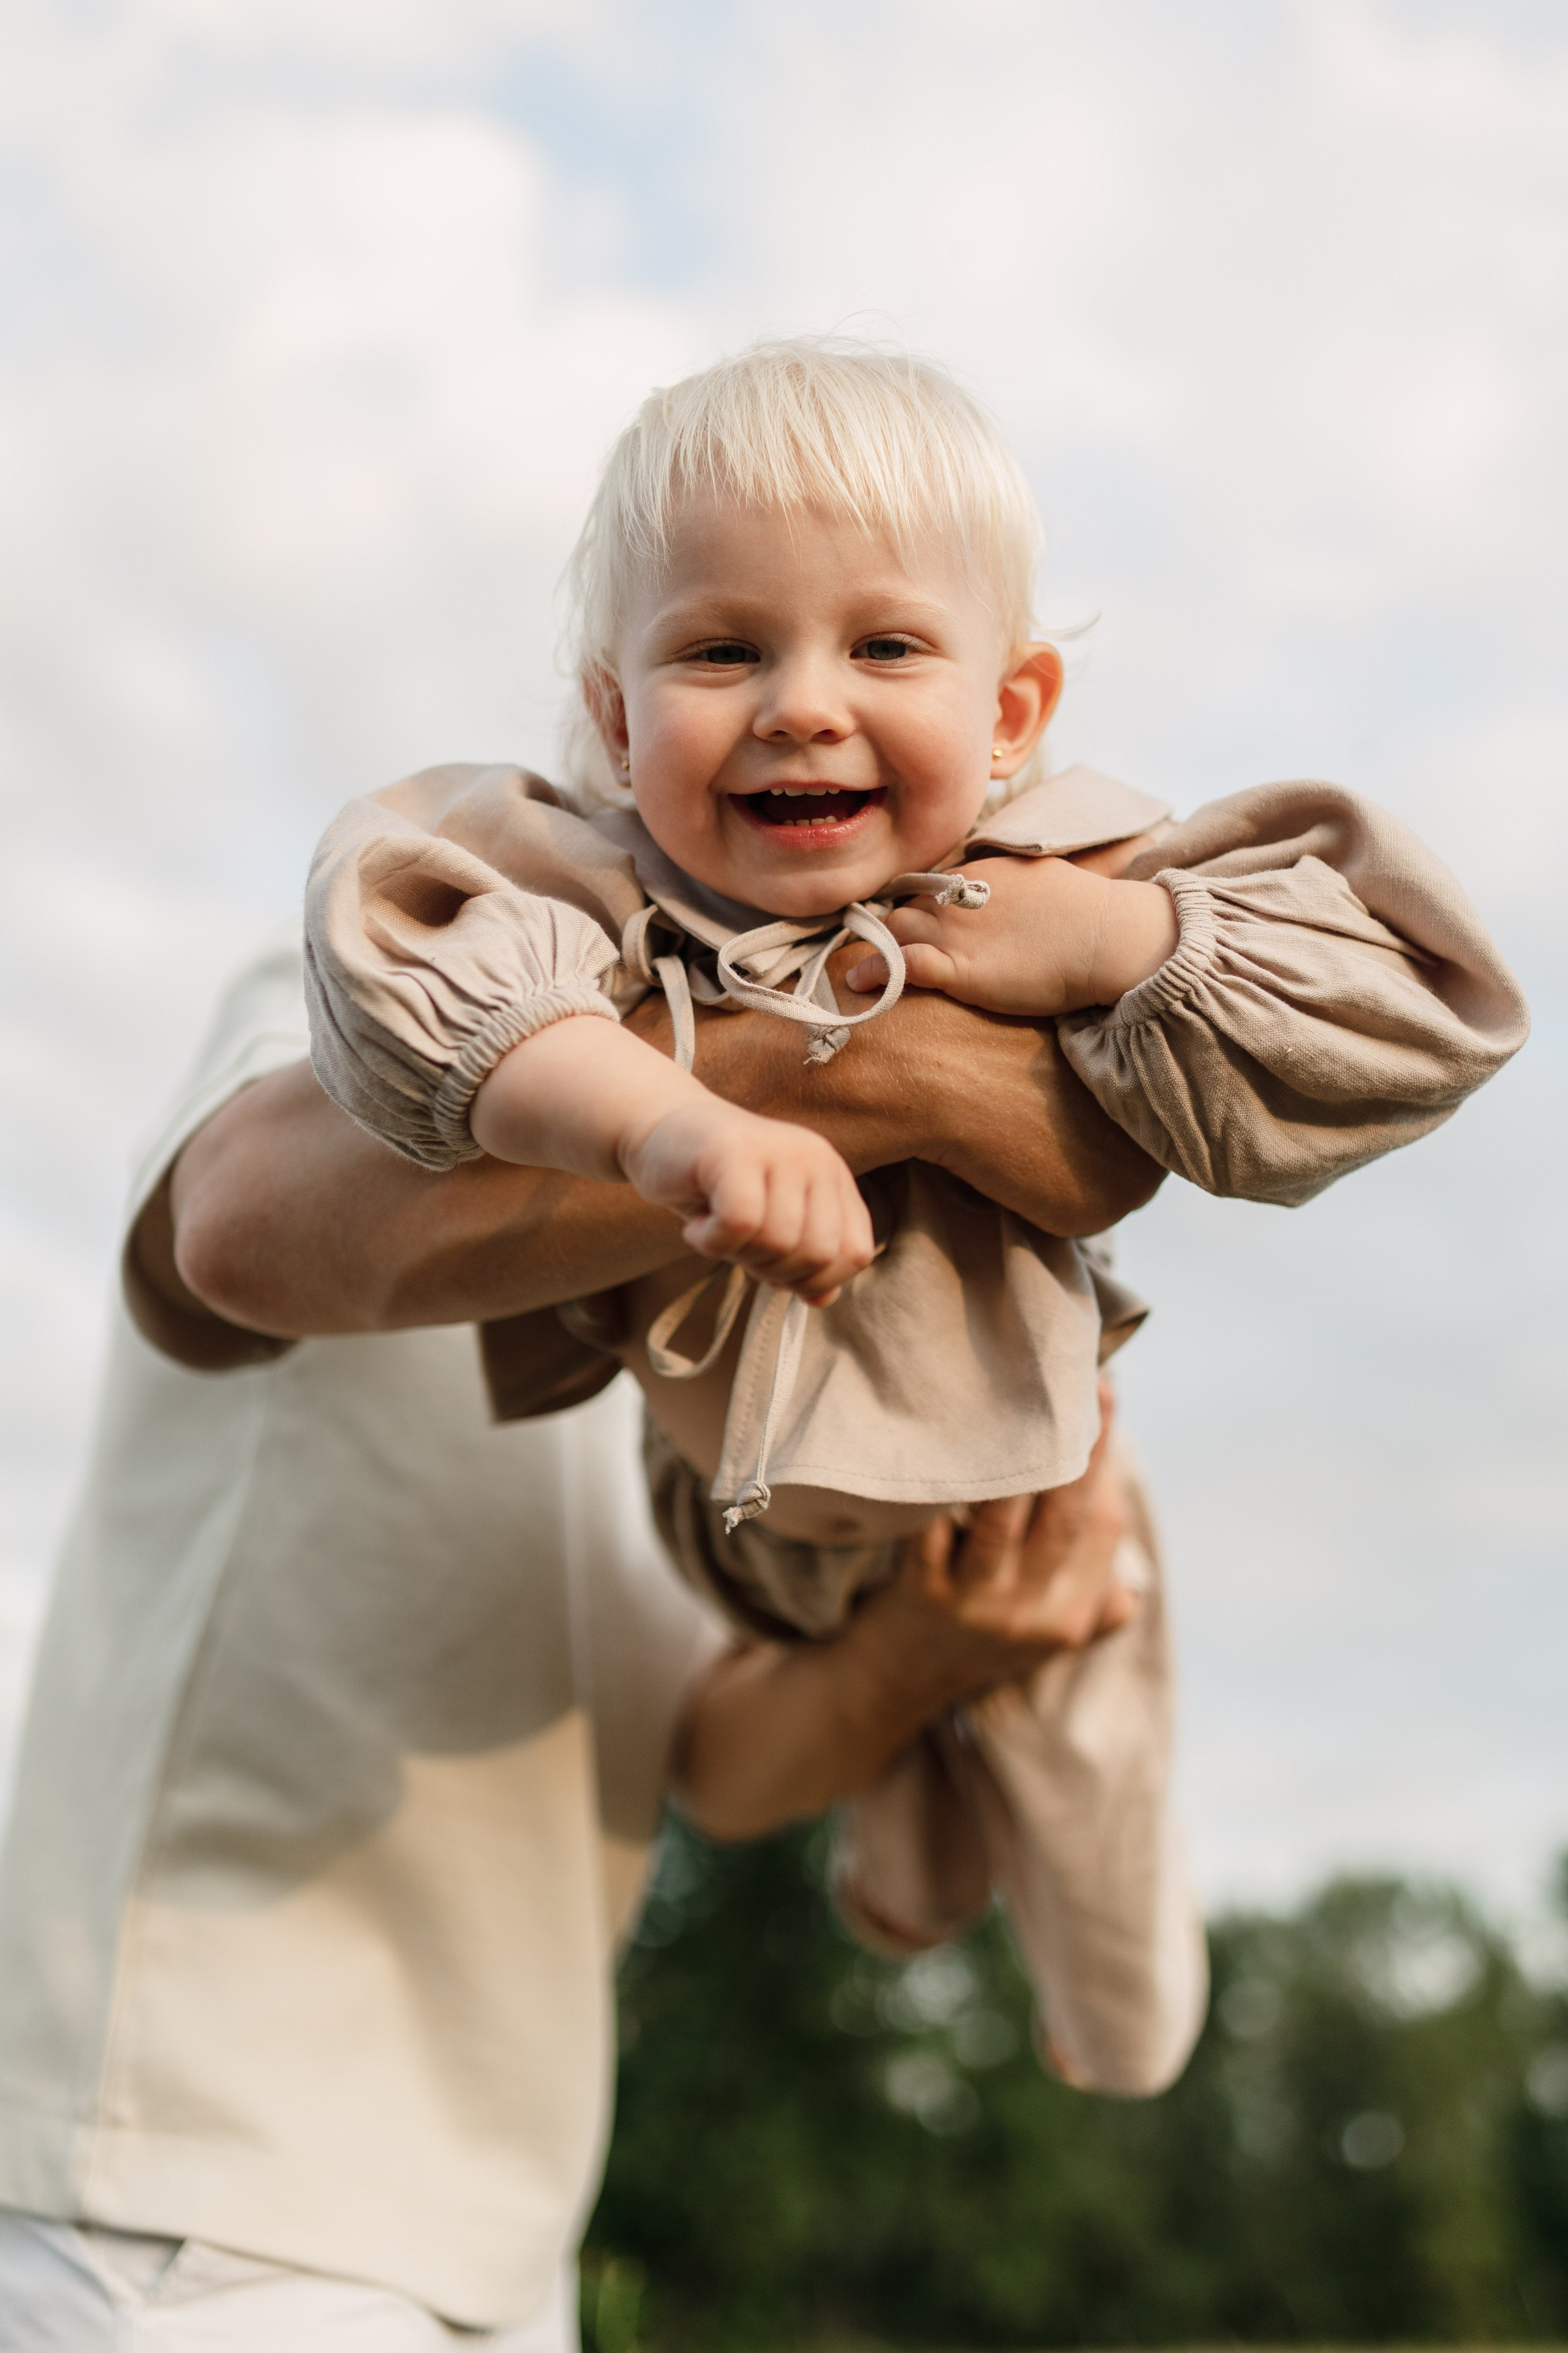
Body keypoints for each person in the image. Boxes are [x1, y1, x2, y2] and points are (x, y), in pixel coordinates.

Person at [300, 339, 1526, 2009]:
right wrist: (676, 1127)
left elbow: (1408, 1012)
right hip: (743, 1515)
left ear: (1010, 708)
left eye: (885, 644)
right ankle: (911, 1848)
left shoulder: (1057, 865)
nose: (804, 701)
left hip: (1025, 1450)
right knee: (880, 1742)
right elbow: (421, 998)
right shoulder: (574, 884)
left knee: (1087, 1711)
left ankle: (1115, 1990)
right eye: (722, 648)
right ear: (615, 711)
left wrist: (1111, 935)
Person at [0, 918, 1186, 2346]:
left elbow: (712, 1758)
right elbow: (233, 1223)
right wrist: (877, 1058)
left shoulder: (763, 1301)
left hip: (494, 2229)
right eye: (721, 670)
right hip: (193, 2181)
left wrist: (932, 1644)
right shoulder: (425, 947)